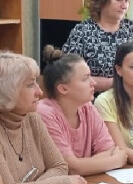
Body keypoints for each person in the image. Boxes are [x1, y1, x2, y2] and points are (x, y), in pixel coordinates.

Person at [0, 51, 87, 184]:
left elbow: (60, 166)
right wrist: (61, 183)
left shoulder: (32, 118)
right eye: (31, 84)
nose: (40, 92)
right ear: (7, 90)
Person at [37, 45, 128, 175]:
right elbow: (69, 167)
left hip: (86, 182)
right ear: (63, 89)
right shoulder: (44, 113)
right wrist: (116, 161)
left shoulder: (87, 107)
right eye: (85, 78)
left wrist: (82, 165)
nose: (93, 83)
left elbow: (109, 150)